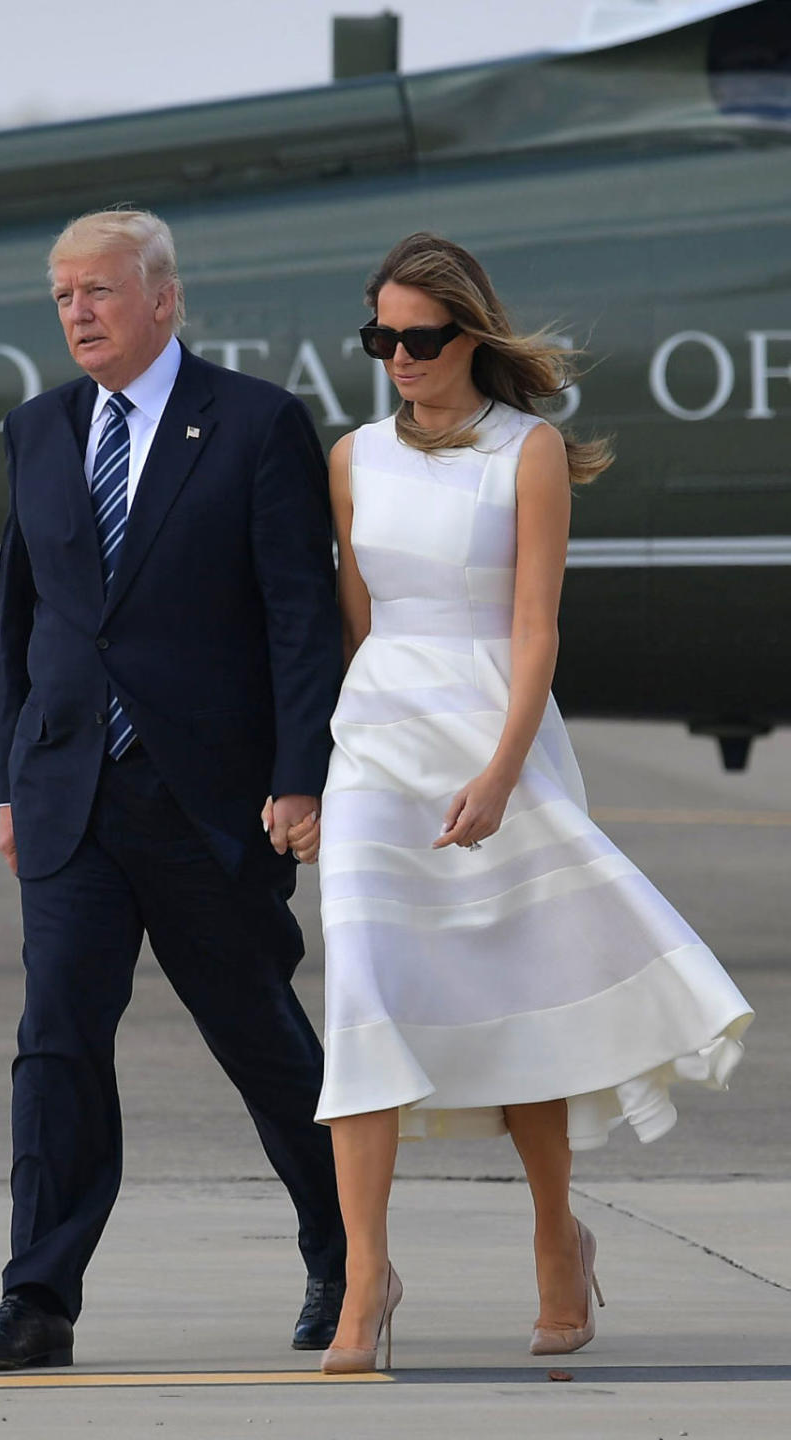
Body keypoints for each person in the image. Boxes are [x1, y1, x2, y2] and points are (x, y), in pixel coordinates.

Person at [301, 233, 753, 1374]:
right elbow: (355, 625)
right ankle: (365, 1279)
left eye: (420, 337)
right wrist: (321, 767)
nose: (398, 356)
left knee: (522, 998)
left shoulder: (528, 452)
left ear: (470, 334)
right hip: (378, 745)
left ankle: (559, 1236)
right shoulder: (352, 458)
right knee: (362, 996)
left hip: (495, 737)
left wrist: (503, 774)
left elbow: (538, 629)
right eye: (381, 338)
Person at [0, 208, 347, 1371]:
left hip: (213, 803)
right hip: (70, 796)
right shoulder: (38, 430)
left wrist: (297, 777)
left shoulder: (257, 424)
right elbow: (20, 623)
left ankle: (344, 1252)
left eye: (100, 292)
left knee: (261, 1040)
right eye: (64, 295)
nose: (78, 313)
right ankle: (39, 1300)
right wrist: (8, 784)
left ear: (163, 298)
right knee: (56, 1042)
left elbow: (297, 620)